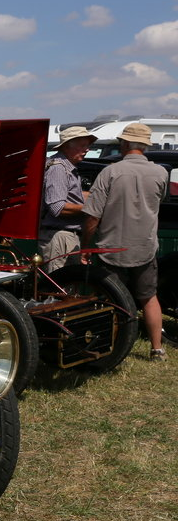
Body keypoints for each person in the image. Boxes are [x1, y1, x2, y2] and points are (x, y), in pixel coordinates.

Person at [82, 123, 169, 361]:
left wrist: (86, 245)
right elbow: (158, 202)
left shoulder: (110, 172)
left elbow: (93, 216)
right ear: (145, 146)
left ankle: (111, 346)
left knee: (110, 299)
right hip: (145, 246)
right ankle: (157, 349)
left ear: (126, 144)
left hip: (112, 246)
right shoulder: (160, 173)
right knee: (149, 297)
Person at [39, 126, 96, 273]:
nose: (87, 149)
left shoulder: (66, 167)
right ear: (66, 146)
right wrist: (92, 208)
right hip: (59, 237)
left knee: (67, 283)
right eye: (82, 145)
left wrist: (97, 197)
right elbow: (58, 207)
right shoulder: (58, 168)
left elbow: (71, 195)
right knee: (59, 284)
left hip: (63, 236)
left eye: (87, 145)